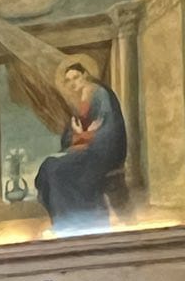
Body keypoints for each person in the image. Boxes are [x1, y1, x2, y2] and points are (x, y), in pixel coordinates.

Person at [35, 59, 127, 233]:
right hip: (85, 150)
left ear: (86, 75)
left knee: (56, 170)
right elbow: (70, 135)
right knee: (48, 167)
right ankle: (63, 220)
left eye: (75, 77)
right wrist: (79, 135)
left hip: (102, 152)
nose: (72, 83)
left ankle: (75, 222)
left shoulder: (101, 94)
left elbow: (109, 129)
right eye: (68, 81)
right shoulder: (79, 101)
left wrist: (84, 136)